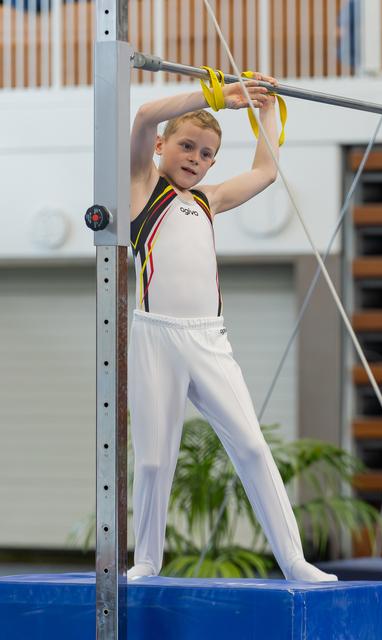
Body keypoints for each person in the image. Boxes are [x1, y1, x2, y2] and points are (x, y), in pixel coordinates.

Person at [127, 72, 337, 583]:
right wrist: (217, 95)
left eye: (205, 154)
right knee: (154, 461)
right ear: (161, 145)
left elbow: (265, 171)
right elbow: (142, 114)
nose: (195, 158)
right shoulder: (140, 187)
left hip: (209, 339)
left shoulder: (209, 200)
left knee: (251, 446)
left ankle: (293, 560)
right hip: (155, 335)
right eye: (186, 146)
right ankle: (147, 560)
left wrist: (266, 107)